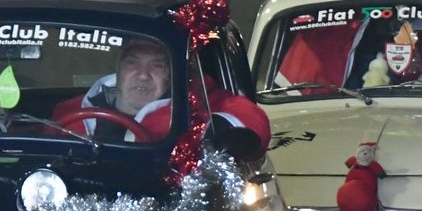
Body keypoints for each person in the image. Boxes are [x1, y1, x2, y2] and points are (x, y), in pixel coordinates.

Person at [52, 39, 271, 153]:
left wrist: (221, 133)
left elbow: (249, 116)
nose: (143, 75)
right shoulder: (72, 112)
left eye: (157, 65)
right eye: (132, 63)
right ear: (118, 70)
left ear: (171, 74)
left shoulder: (194, 104)